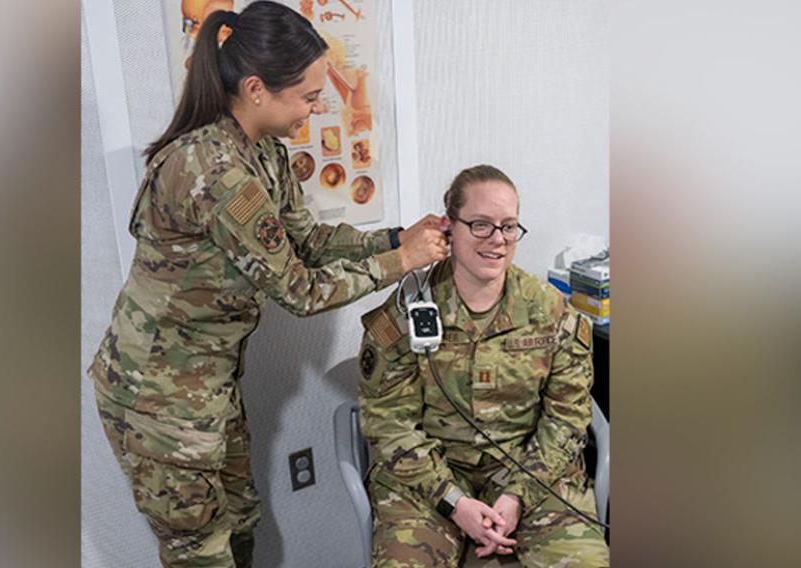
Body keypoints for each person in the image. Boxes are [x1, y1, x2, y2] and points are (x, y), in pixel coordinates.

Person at [87, 3, 447, 567]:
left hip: (210, 385)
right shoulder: (215, 172)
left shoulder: (266, 155)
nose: (318, 105)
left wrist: (397, 237)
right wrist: (399, 262)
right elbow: (300, 291)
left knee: (241, 523)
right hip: (158, 399)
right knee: (200, 553)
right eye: (307, 95)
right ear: (256, 89)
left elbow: (309, 240)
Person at [358, 165, 610, 567]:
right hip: (429, 478)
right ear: (448, 227)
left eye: (509, 227)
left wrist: (516, 497)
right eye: (480, 225)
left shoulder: (550, 311)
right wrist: (454, 502)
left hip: (532, 471)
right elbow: (389, 422)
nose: (497, 240)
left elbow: (567, 418)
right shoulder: (410, 312)